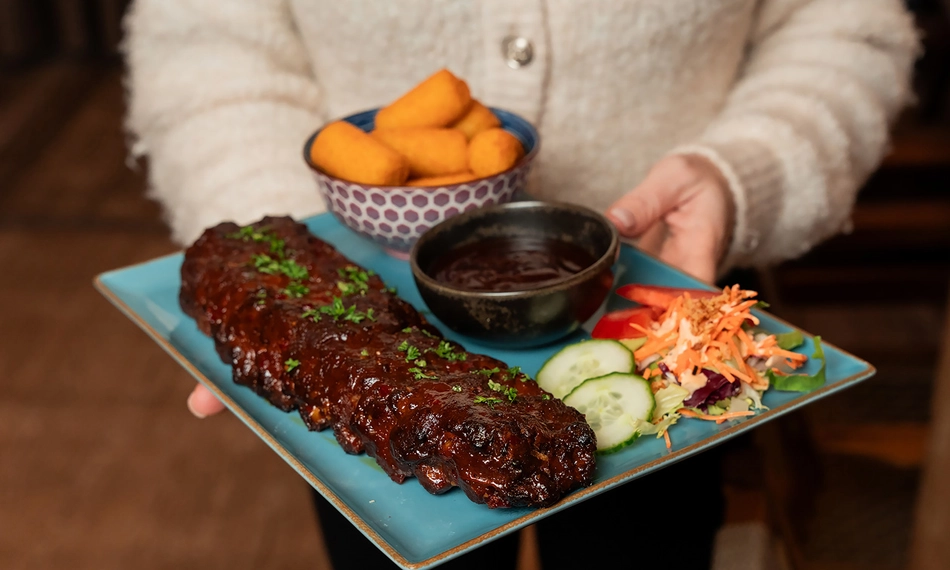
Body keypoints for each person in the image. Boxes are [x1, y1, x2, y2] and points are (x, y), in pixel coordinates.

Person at [124, 1, 919, 568]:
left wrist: (744, 172)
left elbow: (845, 25)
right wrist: (270, 285)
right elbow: (206, 38)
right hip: (348, 295)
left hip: (656, 309)